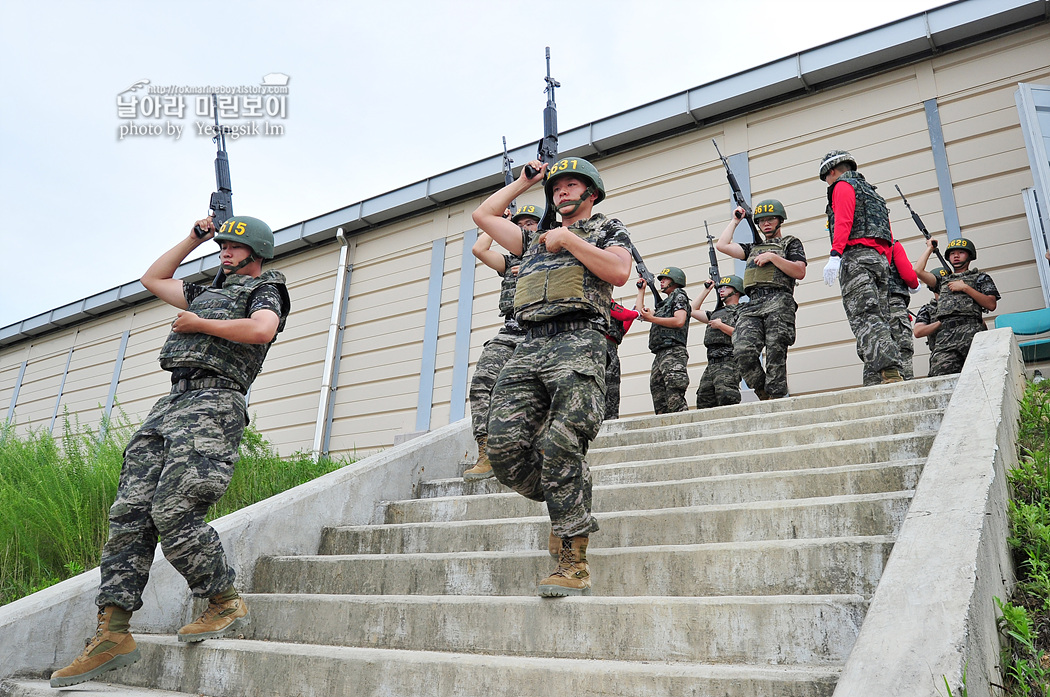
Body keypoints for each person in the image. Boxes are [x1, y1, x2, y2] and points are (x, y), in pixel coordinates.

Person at [50, 216, 290, 688]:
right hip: (172, 402)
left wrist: (200, 323)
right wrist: (193, 239)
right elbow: (153, 279)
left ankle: (223, 599)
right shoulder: (207, 289)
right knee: (130, 514)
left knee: (173, 510)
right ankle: (113, 632)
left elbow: (262, 330)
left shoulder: (265, 287)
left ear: (256, 252)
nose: (225, 252)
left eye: (234, 247)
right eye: (221, 245)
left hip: (215, 401)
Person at [471, 156, 632, 598]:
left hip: (579, 342)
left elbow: (619, 272)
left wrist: (569, 240)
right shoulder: (534, 239)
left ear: (591, 193)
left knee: (561, 442)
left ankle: (572, 558)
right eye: (557, 186)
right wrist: (524, 182)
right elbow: (482, 217)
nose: (562, 191)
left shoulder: (606, 229)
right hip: (528, 346)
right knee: (502, 448)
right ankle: (568, 496)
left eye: (572, 185)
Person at [463, 204, 542, 481]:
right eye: (521, 223)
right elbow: (479, 250)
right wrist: (497, 220)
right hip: (510, 331)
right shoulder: (508, 263)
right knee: (482, 382)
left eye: (532, 223)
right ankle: (486, 453)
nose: (525, 227)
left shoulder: (551, 253)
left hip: (540, 332)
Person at [819, 150, 903, 384]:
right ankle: (875, 380)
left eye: (826, 177)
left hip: (856, 258)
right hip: (880, 261)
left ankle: (890, 371)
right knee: (880, 319)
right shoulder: (873, 194)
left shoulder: (842, 187)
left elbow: (844, 221)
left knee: (866, 318)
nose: (827, 182)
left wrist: (835, 254)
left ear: (832, 171)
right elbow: (888, 236)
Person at [715, 198, 806, 399]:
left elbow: (799, 271)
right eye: (761, 220)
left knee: (775, 352)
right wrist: (736, 221)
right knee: (742, 349)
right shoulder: (752, 248)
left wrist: (773, 257)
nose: (766, 224)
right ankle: (763, 390)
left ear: (779, 220)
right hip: (753, 303)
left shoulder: (790, 243)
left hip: (779, 300)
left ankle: (776, 396)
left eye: (771, 219)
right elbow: (722, 245)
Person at [914, 237, 999, 376]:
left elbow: (991, 304)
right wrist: (930, 248)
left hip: (971, 330)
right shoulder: (942, 281)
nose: (956, 256)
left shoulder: (980, 277)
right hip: (946, 335)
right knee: (939, 375)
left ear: (970, 255)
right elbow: (918, 270)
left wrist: (965, 288)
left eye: (961, 252)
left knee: (980, 374)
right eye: (953, 253)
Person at [862, 239, 920, 385]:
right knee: (902, 354)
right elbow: (909, 276)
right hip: (893, 306)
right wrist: (915, 286)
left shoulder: (857, 248)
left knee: (874, 351)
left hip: (870, 309)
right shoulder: (893, 245)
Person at [636, 267, 690, 414]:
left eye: (665, 279)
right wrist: (641, 290)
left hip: (673, 352)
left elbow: (679, 321)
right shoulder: (664, 304)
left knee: (675, 398)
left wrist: (652, 318)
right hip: (660, 354)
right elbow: (640, 314)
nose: (661, 282)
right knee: (660, 401)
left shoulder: (679, 296)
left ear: (675, 280)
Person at [691, 275, 745, 408]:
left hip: (729, 361)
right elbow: (692, 310)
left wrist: (721, 326)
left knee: (727, 399)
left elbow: (744, 335)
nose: (721, 290)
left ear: (736, 290)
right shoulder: (716, 312)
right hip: (712, 363)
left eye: (726, 287)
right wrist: (706, 290)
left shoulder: (744, 311)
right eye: (720, 287)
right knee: (704, 400)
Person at [605, 299, 639, 419]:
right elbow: (625, 314)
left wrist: (641, 292)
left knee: (612, 395)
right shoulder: (602, 299)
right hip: (603, 351)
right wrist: (637, 313)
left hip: (611, 352)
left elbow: (624, 325)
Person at [913, 267, 950, 356]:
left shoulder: (962, 303)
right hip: (942, 356)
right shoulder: (928, 309)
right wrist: (940, 322)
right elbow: (918, 331)